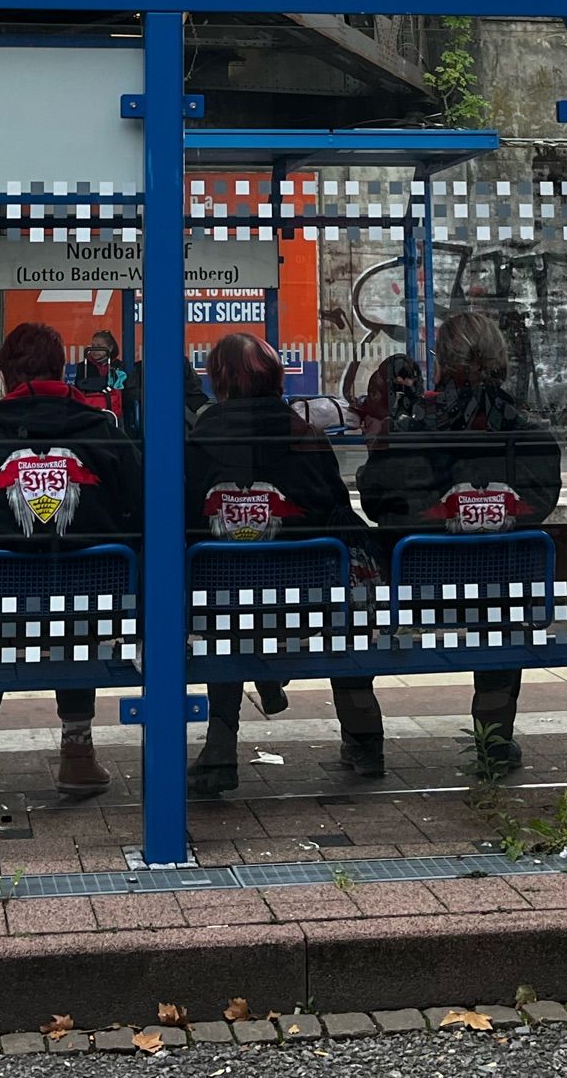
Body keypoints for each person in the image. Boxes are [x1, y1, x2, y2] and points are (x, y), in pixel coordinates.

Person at [0, 320, 140, 800]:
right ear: (62, 368)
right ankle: (78, 753)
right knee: (75, 607)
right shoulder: (103, 432)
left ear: (4, 373)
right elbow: (139, 514)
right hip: (90, 607)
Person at [357, 312, 561, 779]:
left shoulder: (409, 432)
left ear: (441, 363)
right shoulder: (530, 436)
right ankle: (493, 739)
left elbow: (378, 504)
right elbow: (538, 506)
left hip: (415, 597)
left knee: (350, 577)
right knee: (503, 606)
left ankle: (364, 741)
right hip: (505, 591)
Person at [184, 330, 385, 796]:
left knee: (225, 615)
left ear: (219, 382)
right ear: (274, 380)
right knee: (349, 593)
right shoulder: (306, 438)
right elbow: (336, 509)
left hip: (221, 602)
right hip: (305, 599)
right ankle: (365, 739)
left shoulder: (195, 443)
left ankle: (219, 746)